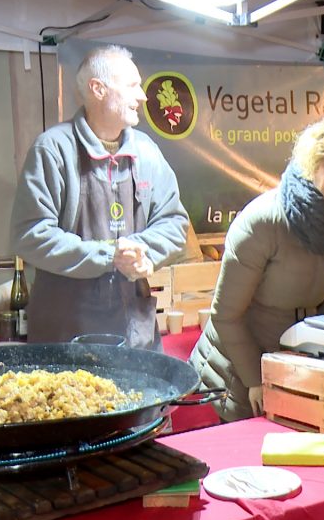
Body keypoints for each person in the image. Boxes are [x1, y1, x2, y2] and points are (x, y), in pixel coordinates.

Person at [189, 116, 324, 421]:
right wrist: (255, 379)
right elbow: (225, 315)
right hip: (233, 378)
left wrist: (315, 365)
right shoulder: (264, 221)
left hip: (292, 373)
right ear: (311, 171)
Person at [10, 45, 191, 351]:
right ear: (98, 89)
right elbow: (30, 235)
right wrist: (108, 255)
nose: (144, 96)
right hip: (67, 335)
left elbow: (174, 224)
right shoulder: (54, 150)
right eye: (133, 86)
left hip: (135, 335)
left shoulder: (146, 152)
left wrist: (141, 253)